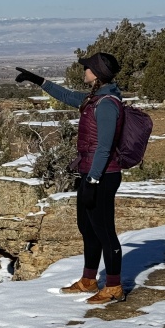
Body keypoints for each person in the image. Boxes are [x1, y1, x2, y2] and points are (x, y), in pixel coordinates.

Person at [15, 52, 125, 304]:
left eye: (87, 68)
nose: (84, 71)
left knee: (105, 232)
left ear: (97, 73)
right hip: (90, 172)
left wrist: (93, 180)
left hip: (103, 176)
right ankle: (88, 279)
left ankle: (115, 286)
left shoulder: (107, 104)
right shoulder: (93, 99)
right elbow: (65, 95)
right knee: (87, 228)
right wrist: (38, 80)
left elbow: (104, 148)